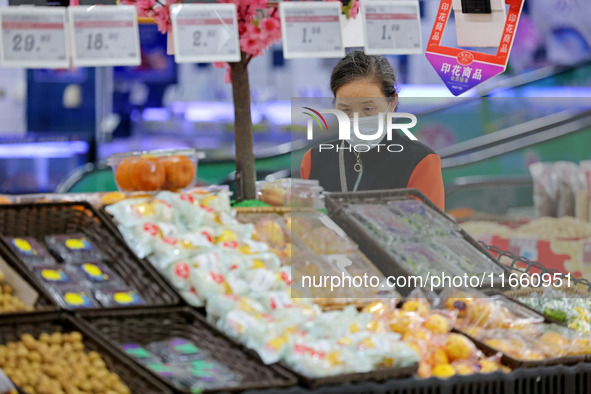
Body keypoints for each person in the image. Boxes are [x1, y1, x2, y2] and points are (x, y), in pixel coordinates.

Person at [300, 51, 445, 211]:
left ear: (392, 102)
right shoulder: (315, 161)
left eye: (368, 108)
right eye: (346, 109)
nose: (357, 119)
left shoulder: (420, 161)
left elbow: (430, 231)